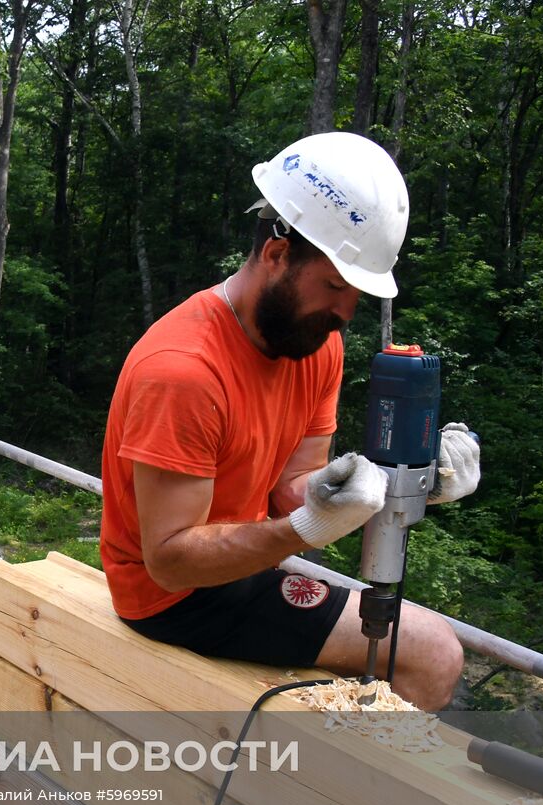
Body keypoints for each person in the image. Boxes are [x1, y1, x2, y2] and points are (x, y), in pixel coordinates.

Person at [100, 132, 480, 712]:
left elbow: (293, 486)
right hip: (171, 596)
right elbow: (171, 563)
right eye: (334, 286)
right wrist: (304, 528)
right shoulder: (183, 371)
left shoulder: (311, 341)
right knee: (433, 653)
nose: (346, 312)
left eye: (356, 294)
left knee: (425, 648)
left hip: (240, 565)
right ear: (277, 255)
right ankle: (348, 804)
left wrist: (403, 481)